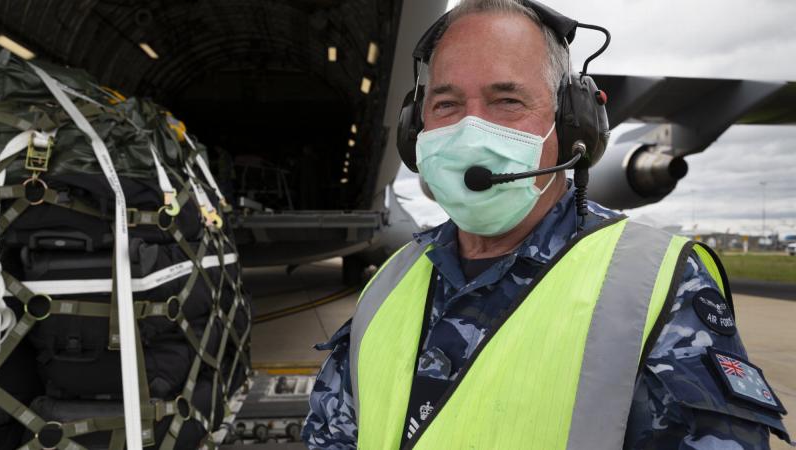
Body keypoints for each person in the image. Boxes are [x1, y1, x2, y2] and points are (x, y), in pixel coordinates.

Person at [302, 1, 791, 448]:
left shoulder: (659, 289)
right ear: (417, 132)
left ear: (572, 125)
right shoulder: (389, 282)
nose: (470, 131)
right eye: (446, 104)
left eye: (507, 102)